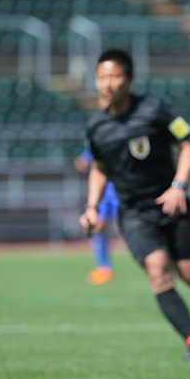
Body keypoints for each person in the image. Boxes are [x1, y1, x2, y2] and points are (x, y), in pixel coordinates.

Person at [79, 48, 190, 360]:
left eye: (115, 76)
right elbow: (99, 167)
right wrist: (92, 206)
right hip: (134, 211)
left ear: (130, 79)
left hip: (172, 203)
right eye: (102, 77)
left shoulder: (155, 110)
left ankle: (175, 255)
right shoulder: (96, 126)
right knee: (158, 270)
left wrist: (179, 186)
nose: (108, 83)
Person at [75, 96, 120, 285]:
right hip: (103, 189)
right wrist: (84, 160)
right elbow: (88, 156)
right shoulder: (96, 129)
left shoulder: (125, 126)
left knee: (129, 227)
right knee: (99, 227)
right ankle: (104, 267)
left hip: (122, 187)